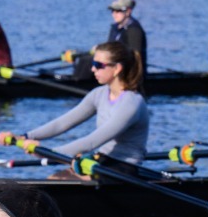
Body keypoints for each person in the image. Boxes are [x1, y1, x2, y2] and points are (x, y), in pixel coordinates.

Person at [8, 40, 149, 169]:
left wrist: (47, 153)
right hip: (102, 161)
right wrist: (26, 136)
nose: (93, 69)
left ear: (117, 69)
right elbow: (62, 123)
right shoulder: (98, 94)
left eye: (98, 65)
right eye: (93, 64)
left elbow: (92, 141)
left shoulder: (131, 103)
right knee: (55, 180)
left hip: (124, 168)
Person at [72, 0, 146, 87]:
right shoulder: (115, 28)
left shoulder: (134, 30)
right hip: (114, 63)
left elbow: (135, 56)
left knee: (89, 61)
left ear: (128, 11)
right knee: (84, 59)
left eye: (118, 11)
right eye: (112, 11)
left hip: (128, 72)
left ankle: (79, 84)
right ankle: (76, 81)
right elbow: (110, 47)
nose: (114, 14)